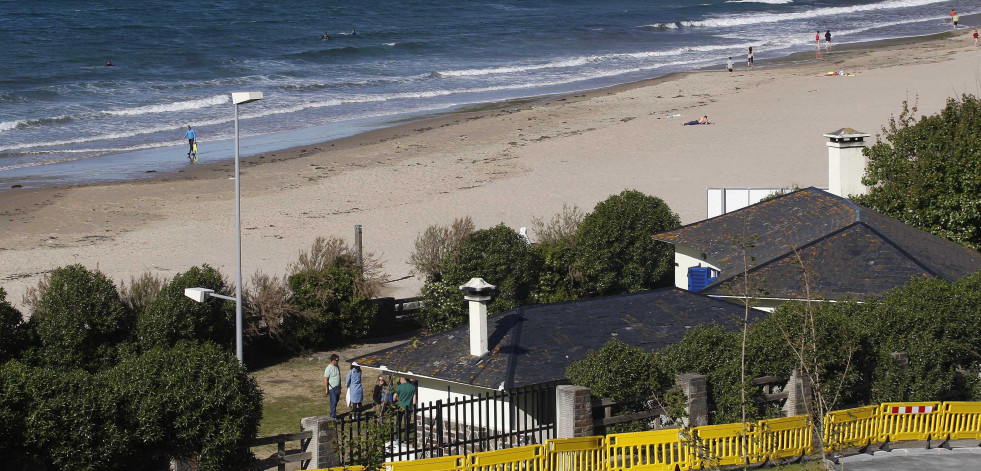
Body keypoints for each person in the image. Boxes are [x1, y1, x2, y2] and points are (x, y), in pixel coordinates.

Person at [392, 376, 417, 442]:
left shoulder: (399, 387)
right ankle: (406, 439)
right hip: (408, 407)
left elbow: (394, 397)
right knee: (407, 423)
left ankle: (398, 438)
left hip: (400, 407)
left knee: (398, 423)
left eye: (400, 379)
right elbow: (414, 399)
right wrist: (414, 407)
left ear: (403, 379)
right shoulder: (413, 387)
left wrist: (398, 400)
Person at [323, 354, 341, 419]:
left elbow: (339, 376)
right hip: (331, 388)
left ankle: (333, 413)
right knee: (333, 401)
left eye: (338, 360)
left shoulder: (337, 367)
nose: (338, 361)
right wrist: (326, 389)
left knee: (336, 401)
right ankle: (333, 416)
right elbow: (325, 379)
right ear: (333, 360)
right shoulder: (328, 368)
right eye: (337, 360)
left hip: (337, 388)